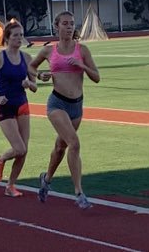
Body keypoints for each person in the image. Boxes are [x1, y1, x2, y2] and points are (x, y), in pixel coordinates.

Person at [30, 11, 101, 209]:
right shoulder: (48, 51)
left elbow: (96, 77)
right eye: (65, 24)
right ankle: (79, 192)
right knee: (74, 143)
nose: (69, 27)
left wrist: (82, 66)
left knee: (61, 147)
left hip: (76, 106)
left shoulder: (82, 50)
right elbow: (31, 67)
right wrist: (40, 75)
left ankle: (46, 179)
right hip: (57, 104)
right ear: (57, 26)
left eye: (71, 24)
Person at [0, 21, 37, 197]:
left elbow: (35, 86)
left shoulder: (27, 58)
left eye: (21, 35)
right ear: (7, 38)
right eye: (15, 36)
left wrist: (29, 83)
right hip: (5, 106)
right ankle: (2, 158)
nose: (19, 38)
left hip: (22, 103)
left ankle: (10, 185)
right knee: (18, 148)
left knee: (24, 150)